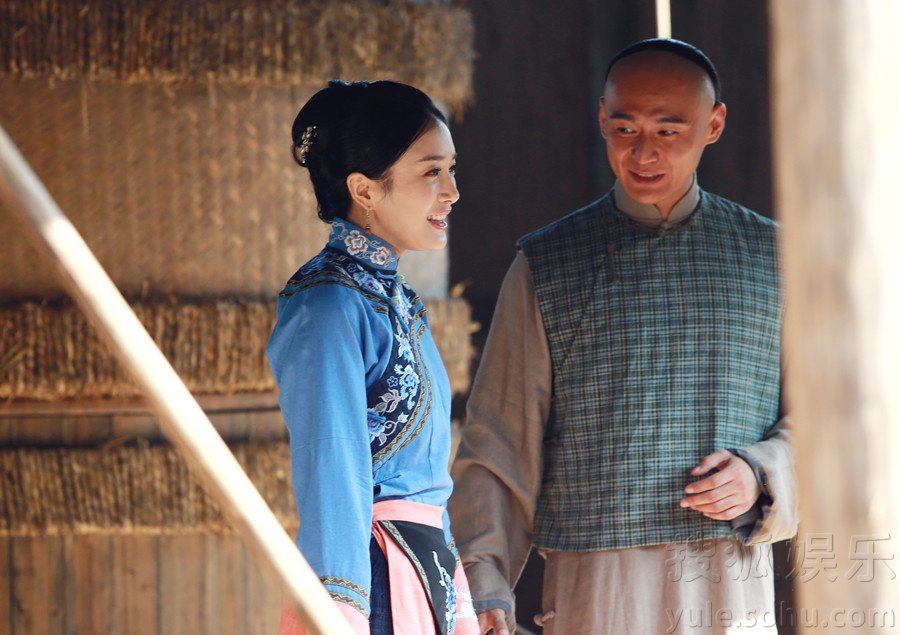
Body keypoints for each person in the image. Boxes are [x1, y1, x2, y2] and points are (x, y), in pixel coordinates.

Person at [448, 39, 798, 634]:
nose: (643, 152)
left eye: (669, 130)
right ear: (602, 118)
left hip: (728, 585)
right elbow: (498, 443)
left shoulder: (774, 258)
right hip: (596, 590)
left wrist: (762, 473)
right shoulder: (547, 265)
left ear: (714, 125)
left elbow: (830, 422)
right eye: (625, 128)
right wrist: (482, 582)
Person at [268, 80, 479, 635]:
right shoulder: (328, 304)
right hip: (374, 584)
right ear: (364, 189)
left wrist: (459, 604)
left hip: (427, 579)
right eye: (431, 172)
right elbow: (331, 473)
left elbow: (429, 490)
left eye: (452, 169)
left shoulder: (398, 300)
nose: (452, 192)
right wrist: (340, 615)